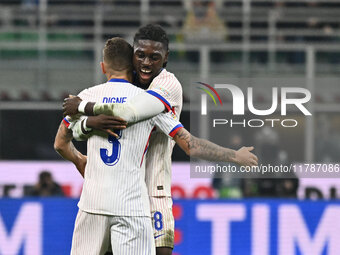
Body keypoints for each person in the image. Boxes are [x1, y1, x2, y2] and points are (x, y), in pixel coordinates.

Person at [60, 24, 257, 255]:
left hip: (154, 188)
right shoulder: (126, 82)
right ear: (132, 54)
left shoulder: (167, 86)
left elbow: (180, 139)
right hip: (118, 191)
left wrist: (84, 111)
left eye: (154, 57)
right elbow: (63, 137)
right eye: (140, 55)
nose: (146, 63)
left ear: (166, 59)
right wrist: (81, 151)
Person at [60, 37, 189, 255]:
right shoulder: (148, 101)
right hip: (132, 203)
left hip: (94, 203)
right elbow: (189, 143)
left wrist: (80, 152)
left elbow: (60, 142)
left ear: (102, 67)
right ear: (133, 67)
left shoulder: (87, 95)